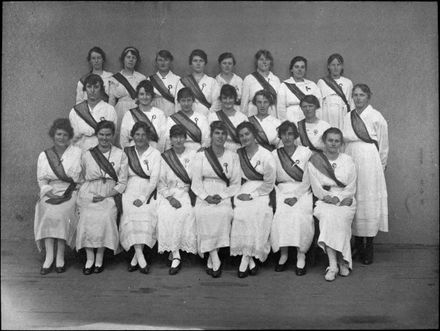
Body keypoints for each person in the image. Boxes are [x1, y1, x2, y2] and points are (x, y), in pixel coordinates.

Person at [342, 84, 389, 265]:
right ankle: (356, 244)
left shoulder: (377, 117)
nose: (358, 98)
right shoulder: (347, 117)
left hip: (370, 159)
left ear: (369, 96)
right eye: (355, 95)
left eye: (362, 95)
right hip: (351, 155)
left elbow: (383, 145)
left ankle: (368, 244)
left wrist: (381, 166)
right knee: (353, 196)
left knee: (368, 199)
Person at [76, 121, 128, 275]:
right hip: (90, 191)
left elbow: (122, 183)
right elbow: (81, 178)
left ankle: (99, 256)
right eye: (101, 134)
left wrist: (105, 195)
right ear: (97, 135)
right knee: (86, 216)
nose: (104, 138)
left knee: (105, 216)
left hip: (109, 193)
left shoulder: (120, 154)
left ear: (112, 135)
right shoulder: (87, 154)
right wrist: (88, 194)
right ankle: (89, 257)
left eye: (108, 135)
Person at [192, 121, 241, 278]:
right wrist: (205, 197)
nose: (220, 136)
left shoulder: (232, 156)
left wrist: (223, 196)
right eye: (217, 133)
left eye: (223, 133)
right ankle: (214, 257)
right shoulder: (201, 155)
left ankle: (212, 257)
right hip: (204, 191)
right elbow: (196, 182)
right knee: (202, 214)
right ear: (211, 135)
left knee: (224, 213)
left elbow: (235, 183)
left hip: (222, 191)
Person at [307, 127, 357, 281]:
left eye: (337, 141)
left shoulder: (348, 160)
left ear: (341, 143)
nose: (333, 144)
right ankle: (334, 263)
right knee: (328, 216)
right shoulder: (315, 160)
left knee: (341, 217)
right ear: (324, 141)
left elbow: (352, 184)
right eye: (330, 140)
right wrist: (327, 197)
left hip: (345, 197)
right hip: (325, 199)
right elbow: (316, 187)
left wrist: (344, 198)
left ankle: (342, 259)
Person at [34, 119, 82, 275]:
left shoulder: (77, 153)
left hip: (70, 191)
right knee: (48, 211)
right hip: (50, 190)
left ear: (69, 136)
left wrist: (76, 191)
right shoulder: (45, 155)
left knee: (62, 213)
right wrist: (48, 192)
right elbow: (42, 179)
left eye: (65, 134)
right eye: (58, 134)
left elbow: (81, 178)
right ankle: (49, 256)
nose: (61, 137)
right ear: (53, 135)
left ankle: (60, 255)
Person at [230, 121, 276, 278]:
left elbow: (269, 183)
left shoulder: (266, 155)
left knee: (257, 212)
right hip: (244, 188)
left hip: (262, 191)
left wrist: (252, 195)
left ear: (254, 135)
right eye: (241, 135)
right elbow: (235, 177)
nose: (244, 138)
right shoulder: (238, 154)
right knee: (239, 213)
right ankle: (249, 258)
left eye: (247, 134)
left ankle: (246, 258)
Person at [270, 121, 314, 275]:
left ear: (295, 135)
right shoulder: (275, 155)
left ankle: (301, 254)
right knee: (281, 213)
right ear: (280, 136)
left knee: (300, 214)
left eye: (290, 134)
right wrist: (280, 195)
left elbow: (308, 179)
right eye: (283, 134)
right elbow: (272, 179)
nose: (287, 137)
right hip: (281, 191)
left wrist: (296, 196)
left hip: (302, 191)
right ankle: (283, 254)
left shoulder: (305, 153)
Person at [119, 122, 161, 274]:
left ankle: (137, 258)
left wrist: (143, 197)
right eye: (137, 134)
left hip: (148, 189)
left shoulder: (155, 153)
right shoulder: (127, 152)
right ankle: (140, 256)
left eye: (143, 134)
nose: (140, 138)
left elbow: (154, 179)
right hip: (130, 187)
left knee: (147, 214)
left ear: (148, 136)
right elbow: (122, 176)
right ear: (133, 135)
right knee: (130, 214)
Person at [157, 124, 198, 275]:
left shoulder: (193, 154)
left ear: (185, 138)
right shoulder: (165, 157)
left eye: (181, 136)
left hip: (188, 192)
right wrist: (169, 197)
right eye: (175, 137)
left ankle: (179, 249)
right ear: (171, 139)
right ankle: (176, 255)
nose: (179, 140)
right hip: (169, 193)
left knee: (187, 212)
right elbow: (161, 183)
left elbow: (197, 177)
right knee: (166, 213)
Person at [108, 47, 147, 144]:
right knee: (120, 136)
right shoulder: (115, 78)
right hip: (120, 110)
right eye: (128, 57)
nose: (130, 60)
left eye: (133, 57)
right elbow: (111, 100)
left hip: (136, 108)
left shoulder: (141, 78)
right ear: (123, 59)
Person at [69, 74, 117, 151]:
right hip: (82, 151)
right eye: (89, 87)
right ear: (85, 89)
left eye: (96, 87)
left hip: (102, 152)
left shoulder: (109, 109)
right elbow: (74, 138)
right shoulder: (75, 111)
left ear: (101, 89)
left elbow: (112, 136)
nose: (92, 90)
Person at [119, 80, 167, 152]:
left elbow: (163, 138)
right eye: (141, 94)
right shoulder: (129, 114)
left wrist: (157, 153)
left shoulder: (160, 114)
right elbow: (123, 138)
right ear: (137, 96)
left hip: (153, 150)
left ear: (152, 96)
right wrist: (129, 154)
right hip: (133, 151)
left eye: (147, 94)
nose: (145, 97)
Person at [175, 49, 221, 117]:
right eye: (195, 61)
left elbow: (217, 102)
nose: (198, 63)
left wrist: (210, 117)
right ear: (191, 63)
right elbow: (177, 102)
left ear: (205, 63)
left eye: (201, 61)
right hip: (187, 119)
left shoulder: (212, 82)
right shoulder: (183, 81)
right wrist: (182, 119)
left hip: (207, 118)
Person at [277, 56, 322, 124]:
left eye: (302, 67)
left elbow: (318, 106)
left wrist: (316, 122)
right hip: (290, 119)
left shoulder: (312, 85)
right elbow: (281, 108)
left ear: (305, 70)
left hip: (309, 118)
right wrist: (285, 123)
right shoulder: (285, 85)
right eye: (296, 67)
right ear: (291, 69)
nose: (299, 70)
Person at [165, 87, 210, 152]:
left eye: (189, 100)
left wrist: (199, 154)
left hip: (197, 152)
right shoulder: (171, 119)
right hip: (177, 153)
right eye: (183, 100)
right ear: (178, 101)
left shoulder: (202, 118)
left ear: (193, 100)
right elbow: (168, 141)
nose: (186, 104)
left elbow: (206, 140)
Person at [317, 53, 354, 129]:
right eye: (333, 65)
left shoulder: (348, 82)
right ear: (328, 66)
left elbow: (351, 102)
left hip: (342, 113)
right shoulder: (322, 82)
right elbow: (318, 102)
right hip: (326, 113)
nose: (336, 68)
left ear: (342, 66)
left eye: (338, 65)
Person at [208, 84, 248, 152]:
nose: (228, 101)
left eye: (231, 98)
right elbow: (208, 138)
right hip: (217, 151)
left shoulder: (242, 118)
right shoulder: (213, 116)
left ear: (235, 99)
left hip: (237, 152)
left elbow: (246, 140)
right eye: (225, 98)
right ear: (220, 99)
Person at [241, 49, 280, 117]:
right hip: (253, 114)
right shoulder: (249, 79)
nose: (264, 62)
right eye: (261, 59)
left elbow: (279, 103)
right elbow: (244, 103)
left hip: (272, 114)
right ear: (257, 62)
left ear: (270, 62)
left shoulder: (276, 79)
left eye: (267, 59)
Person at [148, 50, 181, 117]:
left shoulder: (177, 79)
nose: (163, 63)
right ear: (156, 62)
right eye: (160, 60)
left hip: (171, 113)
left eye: (166, 60)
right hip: (154, 114)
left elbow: (179, 101)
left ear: (170, 62)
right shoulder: (150, 79)